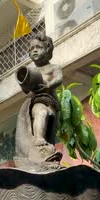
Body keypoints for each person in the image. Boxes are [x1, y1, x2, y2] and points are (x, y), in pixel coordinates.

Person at [15, 33, 63, 164]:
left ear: (47, 49)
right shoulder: (32, 71)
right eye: (31, 49)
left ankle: (45, 148)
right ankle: (38, 140)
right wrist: (24, 83)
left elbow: (59, 79)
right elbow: (26, 90)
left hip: (51, 102)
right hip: (38, 100)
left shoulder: (54, 67)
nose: (34, 50)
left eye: (38, 47)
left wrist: (48, 85)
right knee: (42, 113)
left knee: (50, 132)